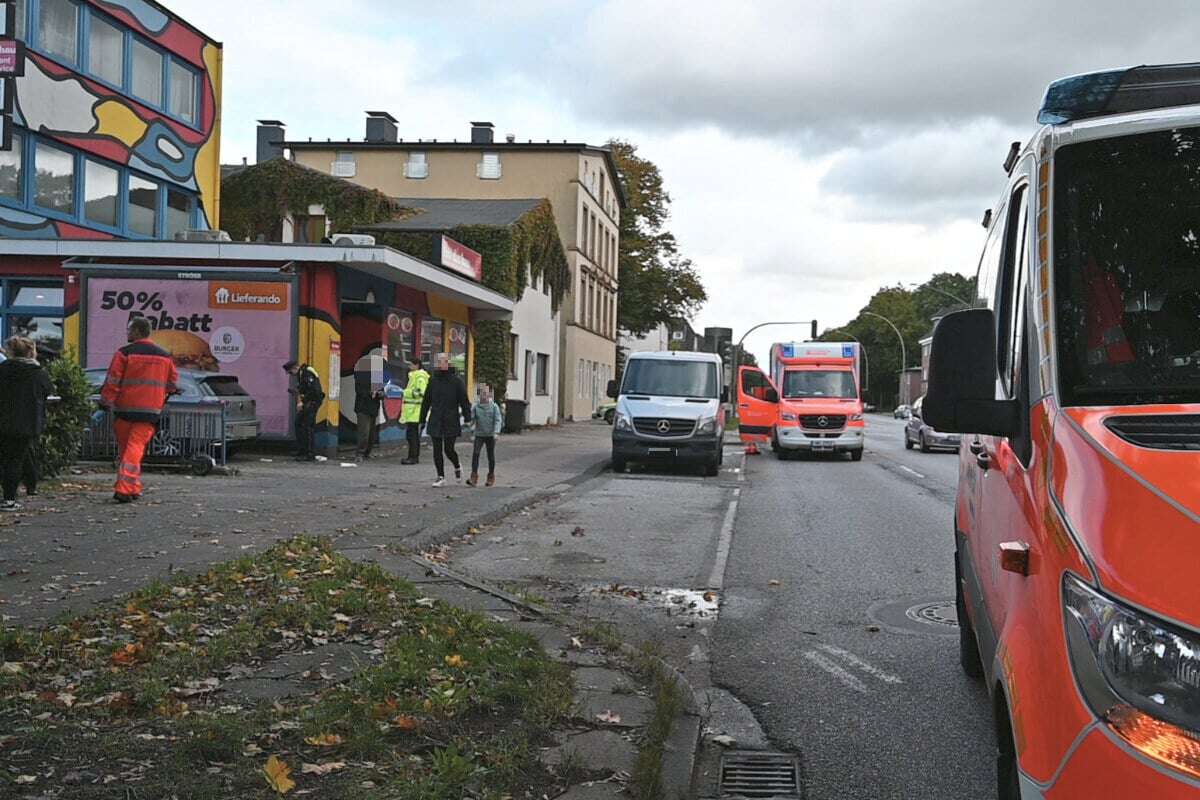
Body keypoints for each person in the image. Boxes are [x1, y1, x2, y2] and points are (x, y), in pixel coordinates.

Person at [100, 318, 178, 503]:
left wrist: (105, 402)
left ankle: (125, 489)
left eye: (128, 330)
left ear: (136, 331)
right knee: (134, 449)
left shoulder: (124, 353)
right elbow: (172, 383)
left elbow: (113, 381)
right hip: (150, 411)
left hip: (125, 410)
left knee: (128, 449)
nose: (127, 333)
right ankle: (132, 486)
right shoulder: (164, 356)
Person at [0, 337, 52, 511]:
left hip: (2, 419)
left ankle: (16, 491)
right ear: (31, 352)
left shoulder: (3, 370)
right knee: (15, 459)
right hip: (25, 423)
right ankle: (9, 499)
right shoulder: (38, 373)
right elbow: (47, 392)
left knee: (6, 458)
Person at [419, 353, 471, 488]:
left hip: (451, 419)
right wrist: (422, 419)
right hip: (436, 418)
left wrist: (467, 417)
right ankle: (440, 476)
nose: (441, 364)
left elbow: (464, 401)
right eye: (438, 362)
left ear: (448, 363)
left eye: (443, 361)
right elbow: (426, 401)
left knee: (448, 449)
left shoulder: (456, 381)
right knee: (437, 449)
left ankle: (457, 465)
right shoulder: (433, 380)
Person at [284, 360, 325, 461]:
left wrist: (303, 401)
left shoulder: (307, 372)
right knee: (299, 423)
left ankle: (310, 453)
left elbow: (314, 390)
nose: (291, 375)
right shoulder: (301, 374)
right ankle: (302, 450)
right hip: (308, 402)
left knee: (308, 427)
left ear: (295, 368)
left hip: (313, 402)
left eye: (290, 372)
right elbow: (302, 389)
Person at [467, 384, 503, 487]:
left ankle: (491, 476)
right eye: (482, 394)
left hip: (490, 435)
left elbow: (497, 420)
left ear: (489, 395)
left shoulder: (494, 406)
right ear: (479, 395)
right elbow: (472, 419)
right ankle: (474, 476)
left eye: (487, 393)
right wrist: (470, 427)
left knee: (490, 456)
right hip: (479, 434)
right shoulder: (476, 407)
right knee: (476, 453)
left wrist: (496, 432)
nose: (485, 396)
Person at [353, 352, 384, 461]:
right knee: (364, 433)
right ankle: (359, 454)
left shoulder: (377, 377)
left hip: (373, 408)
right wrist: (371, 393)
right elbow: (359, 391)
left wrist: (380, 394)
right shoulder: (361, 376)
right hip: (363, 407)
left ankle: (367, 452)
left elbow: (382, 392)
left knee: (371, 434)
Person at [400, 357, 429, 465]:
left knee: (412, 436)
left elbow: (420, 393)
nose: (409, 367)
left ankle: (413, 457)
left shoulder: (420, 377)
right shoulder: (415, 376)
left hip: (415, 411)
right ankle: (412, 456)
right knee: (411, 436)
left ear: (416, 365)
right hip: (413, 411)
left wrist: (405, 392)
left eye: (411, 365)